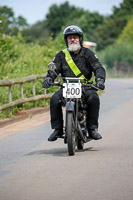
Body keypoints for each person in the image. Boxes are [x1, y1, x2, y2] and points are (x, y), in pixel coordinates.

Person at [43, 25, 106, 142]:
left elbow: (98, 68)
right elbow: (53, 70)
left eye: (75, 37)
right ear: (66, 40)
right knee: (54, 99)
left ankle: (92, 129)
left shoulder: (88, 53)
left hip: (85, 87)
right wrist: (48, 78)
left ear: (80, 39)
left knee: (94, 98)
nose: (72, 39)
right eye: (70, 37)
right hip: (67, 86)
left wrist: (100, 80)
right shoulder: (61, 55)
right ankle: (57, 129)